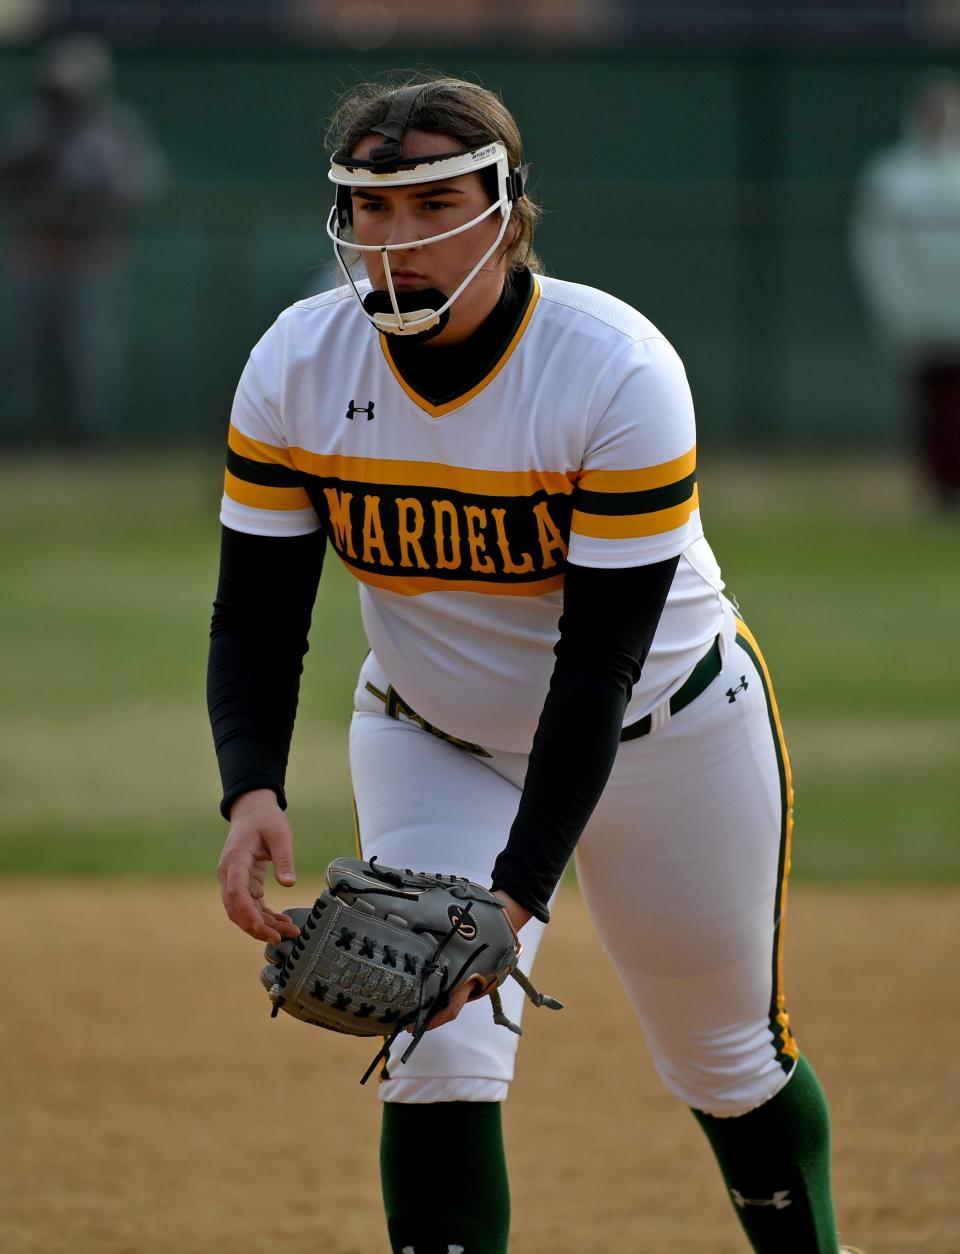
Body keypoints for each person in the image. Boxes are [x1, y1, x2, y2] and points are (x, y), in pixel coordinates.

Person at [209, 76, 860, 1254]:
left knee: (723, 1055)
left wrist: (513, 899)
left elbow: (599, 667)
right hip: (433, 735)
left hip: (666, 734)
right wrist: (250, 784)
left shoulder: (613, 371)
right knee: (432, 1047)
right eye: (369, 209)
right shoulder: (297, 363)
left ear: (508, 214)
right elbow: (257, 616)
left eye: (433, 206)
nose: (395, 241)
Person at [0, 34, 164, 446]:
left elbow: (140, 188)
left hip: (90, 252)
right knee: (20, 349)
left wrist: (96, 183)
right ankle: (18, 435)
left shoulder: (114, 128)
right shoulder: (33, 126)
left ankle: (87, 438)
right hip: (36, 249)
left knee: (87, 353)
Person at [850, 74, 960, 510]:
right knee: (931, 408)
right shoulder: (892, 177)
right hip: (918, 318)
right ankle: (939, 489)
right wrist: (896, 308)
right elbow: (877, 249)